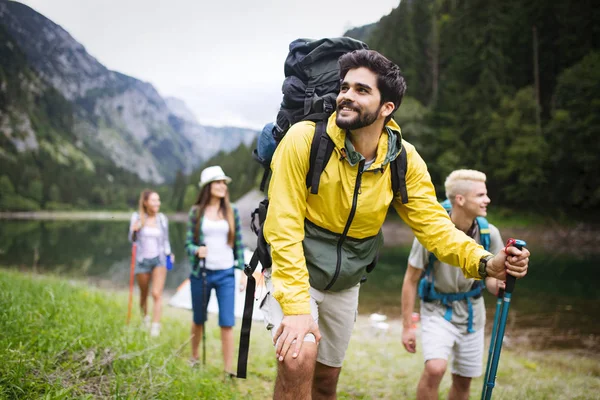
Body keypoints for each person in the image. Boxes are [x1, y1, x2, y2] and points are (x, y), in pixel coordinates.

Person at [262, 49, 530, 399]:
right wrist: (297, 308)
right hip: (295, 268)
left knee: (326, 381)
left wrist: (485, 263)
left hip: (345, 283)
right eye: (344, 87)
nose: (346, 96)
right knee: (298, 358)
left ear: (387, 107)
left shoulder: (403, 160)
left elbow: (436, 226)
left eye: (361, 90)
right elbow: (283, 227)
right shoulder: (304, 140)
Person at [401, 169, 505, 400]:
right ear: (460, 199)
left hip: (472, 315)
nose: (487, 200)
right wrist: (408, 325)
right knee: (435, 368)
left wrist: (499, 286)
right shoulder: (431, 234)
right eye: (480, 195)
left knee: (463, 380)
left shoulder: (489, 233)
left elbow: (490, 278)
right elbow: (410, 279)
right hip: (437, 310)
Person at [184, 165, 246, 373]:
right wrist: (196, 250)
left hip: (226, 274)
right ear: (208, 186)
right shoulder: (196, 212)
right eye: (218, 182)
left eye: (224, 182)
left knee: (227, 322)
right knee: (198, 319)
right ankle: (194, 359)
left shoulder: (232, 211)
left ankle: (228, 370)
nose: (222, 186)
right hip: (201, 274)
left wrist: (244, 271)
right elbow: (188, 245)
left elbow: (238, 244)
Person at [128, 189, 173, 337]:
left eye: (158, 200)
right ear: (146, 202)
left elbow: (165, 239)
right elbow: (132, 239)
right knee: (144, 293)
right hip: (142, 260)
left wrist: (169, 253)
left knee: (156, 293)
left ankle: (155, 326)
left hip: (159, 259)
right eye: (154, 200)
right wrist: (135, 230)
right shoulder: (137, 217)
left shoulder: (162, 219)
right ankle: (145, 318)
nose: (157, 203)